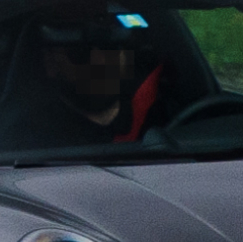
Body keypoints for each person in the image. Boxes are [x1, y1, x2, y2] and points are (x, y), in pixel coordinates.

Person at [21, 16, 167, 149]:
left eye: (110, 47)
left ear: (125, 54)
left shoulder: (163, 116)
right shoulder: (31, 140)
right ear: (51, 64)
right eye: (80, 53)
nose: (100, 62)